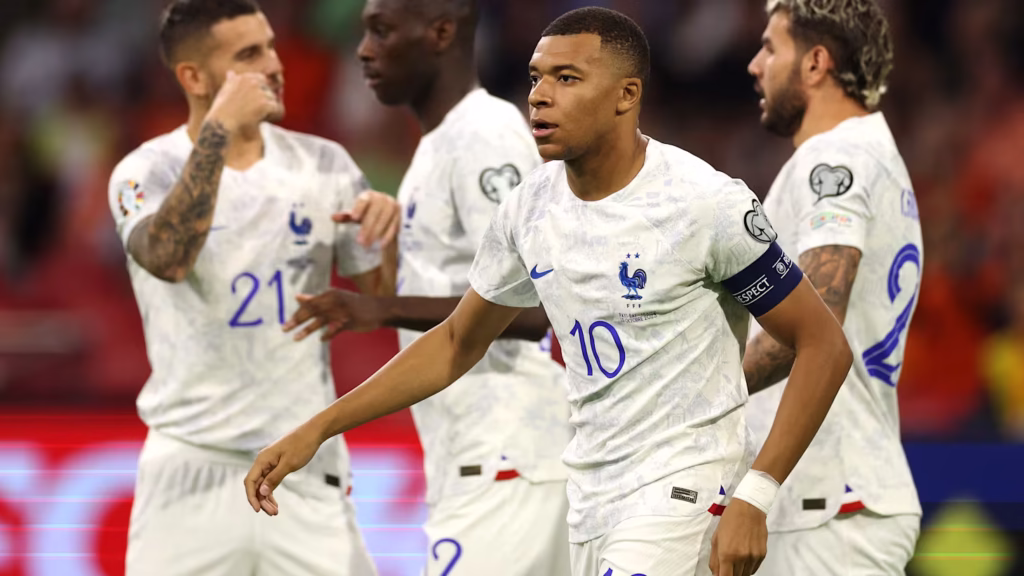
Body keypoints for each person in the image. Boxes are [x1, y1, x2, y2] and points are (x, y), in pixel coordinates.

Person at [247, 7, 853, 576]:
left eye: (567, 78)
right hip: (591, 500)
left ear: (626, 95)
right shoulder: (529, 208)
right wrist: (318, 428)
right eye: (537, 77)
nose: (539, 95)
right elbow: (456, 342)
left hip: (684, 491)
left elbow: (823, 344)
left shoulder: (704, 202)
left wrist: (756, 493)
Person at [107, 1, 400, 574]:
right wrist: (219, 129)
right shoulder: (146, 170)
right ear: (194, 78)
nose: (274, 64)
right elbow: (168, 258)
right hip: (190, 466)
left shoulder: (325, 164)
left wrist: (383, 234)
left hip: (302, 464)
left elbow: (379, 299)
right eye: (248, 55)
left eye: (269, 46)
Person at [282, 0, 572, 573]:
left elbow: (535, 306)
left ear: (440, 32)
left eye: (382, 31)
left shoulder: (484, 135)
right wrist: (385, 248)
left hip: (507, 455)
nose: (364, 51)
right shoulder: (437, 147)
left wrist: (379, 307)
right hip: (483, 457)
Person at [743, 0, 923, 573]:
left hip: (829, 504)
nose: (754, 65)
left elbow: (816, 318)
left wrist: (698, 387)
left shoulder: (836, 157)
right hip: (833, 500)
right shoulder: (869, 153)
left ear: (816, 62)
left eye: (770, 47)